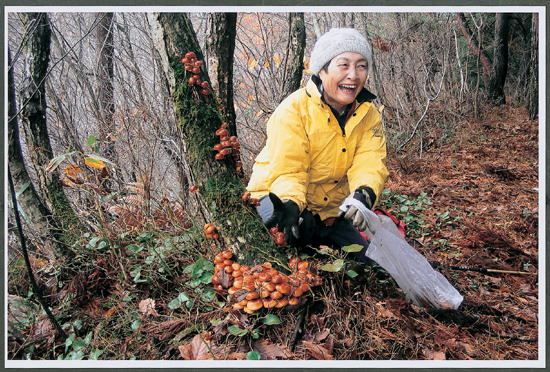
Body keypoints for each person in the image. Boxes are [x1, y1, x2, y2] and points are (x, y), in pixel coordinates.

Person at [246, 28, 388, 264]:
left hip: (329, 211)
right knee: (277, 263)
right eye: (343, 65)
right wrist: (292, 205)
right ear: (322, 70)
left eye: (361, 66)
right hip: (279, 199)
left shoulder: (368, 114)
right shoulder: (293, 110)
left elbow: (370, 160)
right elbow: (289, 168)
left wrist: (365, 192)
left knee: (371, 266)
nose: (353, 75)